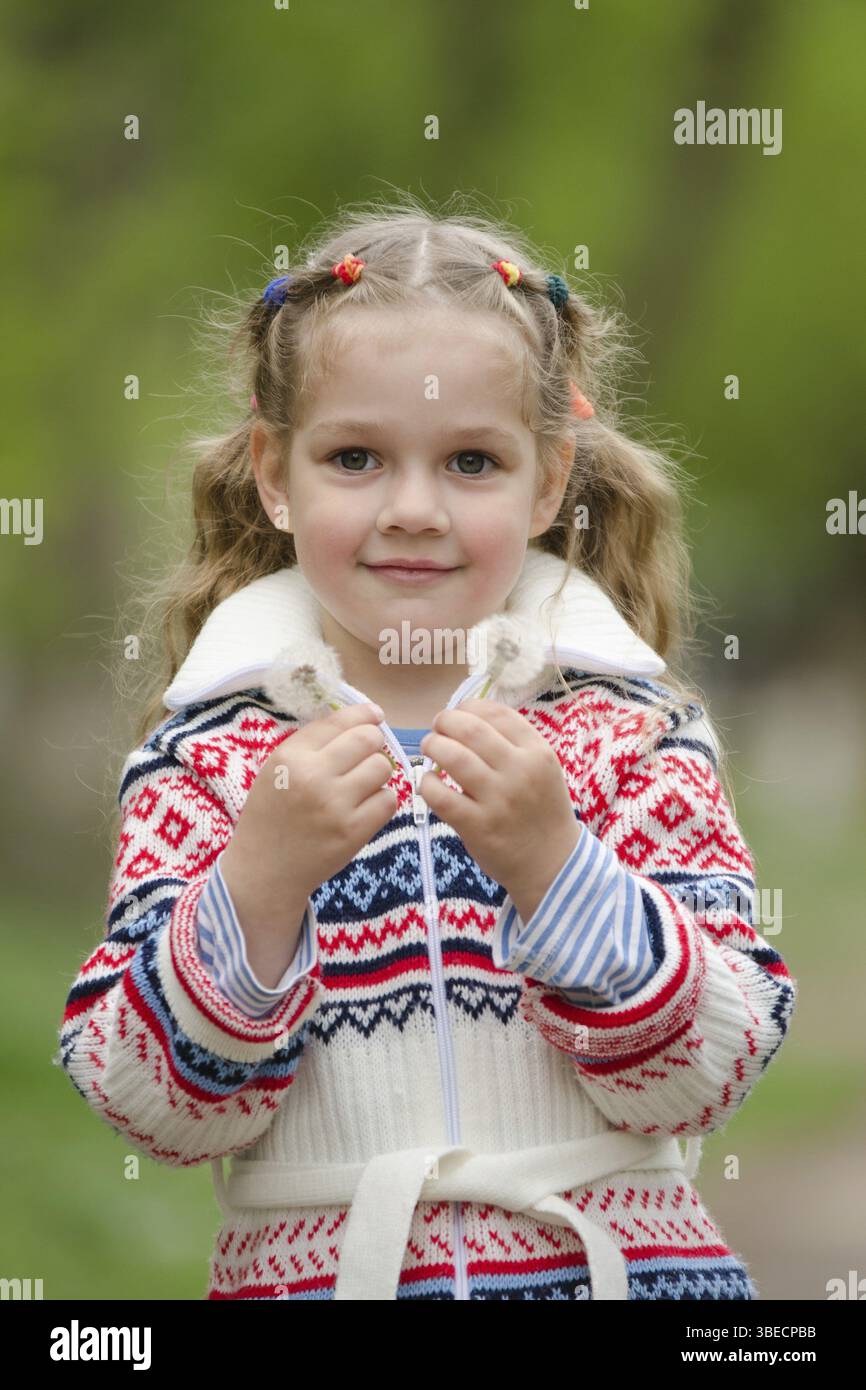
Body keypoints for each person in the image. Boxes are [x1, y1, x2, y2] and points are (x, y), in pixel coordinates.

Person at [56, 202, 797, 1301]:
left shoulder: (627, 730)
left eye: (469, 461)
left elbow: (707, 1072)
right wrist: (256, 884)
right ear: (273, 469)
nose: (411, 509)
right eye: (354, 456)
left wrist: (558, 872)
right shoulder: (210, 752)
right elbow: (148, 1104)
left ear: (548, 480)